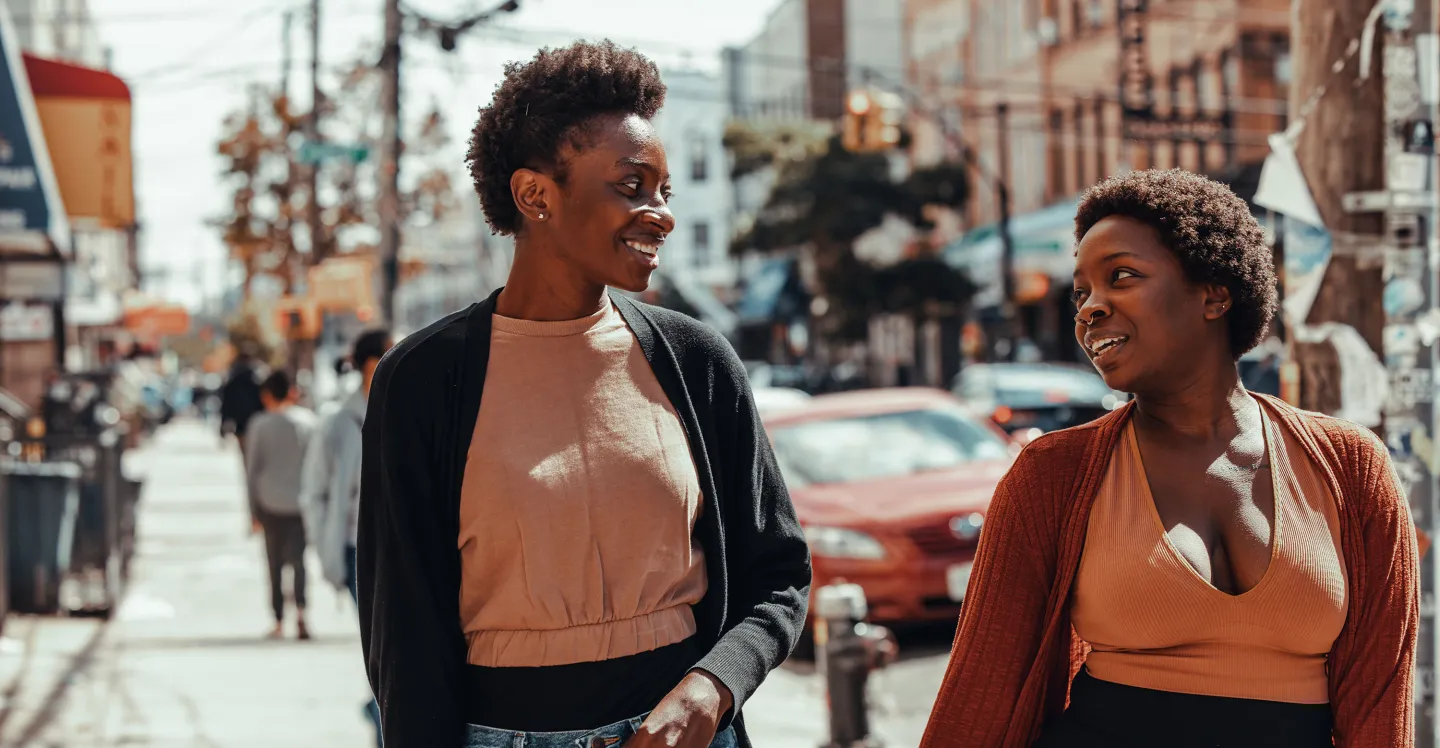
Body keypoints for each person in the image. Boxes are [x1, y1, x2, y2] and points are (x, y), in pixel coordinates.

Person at [358, 40, 812, 748]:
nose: (659, 213)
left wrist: (713, 686)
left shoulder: (698, 361)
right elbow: (404, 639)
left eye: (664, 191)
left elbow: (779, 576)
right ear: (535, 195)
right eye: (632, 186)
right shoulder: (422, 380)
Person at [921, 169, 1419, 748]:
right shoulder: (1052, 475)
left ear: (1214, 294)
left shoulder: (1350, 466)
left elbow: (1380, 707)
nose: (1089, 309)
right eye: (1081, 293)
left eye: (1121, 277)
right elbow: (982, 695)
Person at [301, 327, 392, 746]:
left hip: (405, 550)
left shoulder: (409, 408)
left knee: (398, 650)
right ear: (373, 363)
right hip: (359, 552)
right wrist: (328, 553)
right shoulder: (339, 423)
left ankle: (379, 711)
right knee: (383, 650)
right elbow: (314, 492)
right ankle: (381, 719)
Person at [244, 370, 317, 640]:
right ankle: (301, 613)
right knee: (299, 561)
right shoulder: (308, 422)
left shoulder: (259, 425)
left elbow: (252, 470)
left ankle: (277, 620)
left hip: (269, 502)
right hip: (300, 503)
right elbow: (316, 468)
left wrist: (252, 511)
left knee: (274, 563)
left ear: (266, 395)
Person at [220, 347, 265, 459]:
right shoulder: (255, 377)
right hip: (253, 419)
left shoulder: (233, 378)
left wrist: (224, 421)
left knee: (245, 450)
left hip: (240, 421)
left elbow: (226, 403)